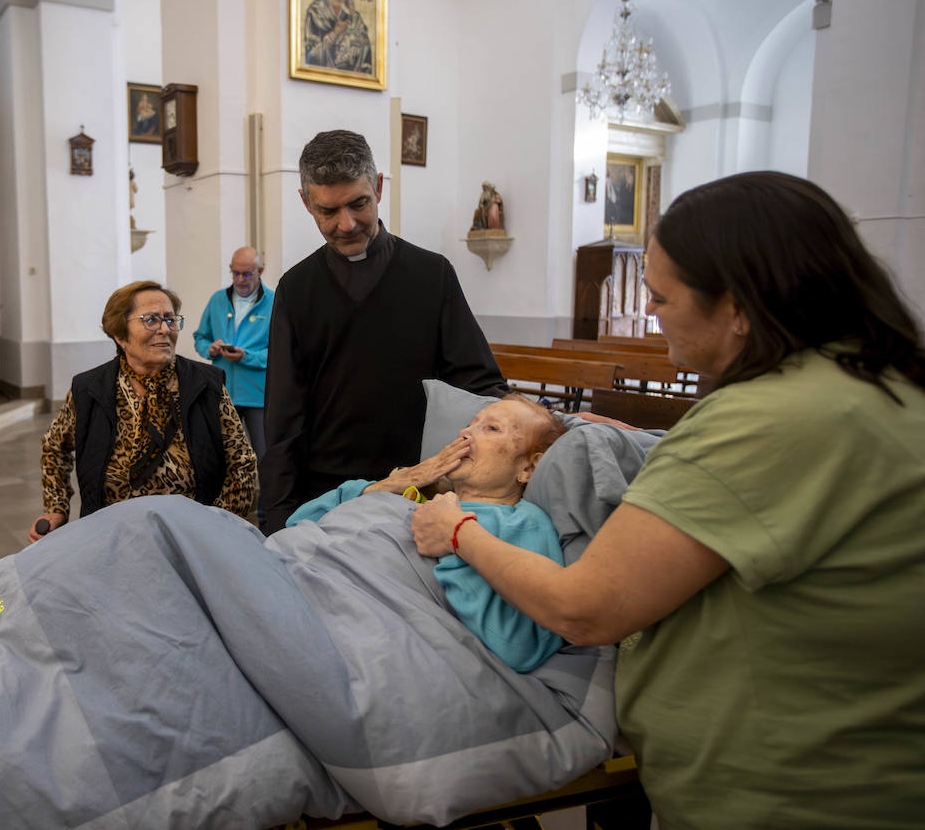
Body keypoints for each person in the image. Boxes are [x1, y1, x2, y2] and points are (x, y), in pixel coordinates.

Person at [411, 171, 925, 829]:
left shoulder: (764, 420)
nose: (651, 312)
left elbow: (583, 608)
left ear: (738, 307)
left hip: (791, 793)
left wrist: (456, 531)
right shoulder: (874, 385)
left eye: (661, 296)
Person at [262, 129, 507, 532]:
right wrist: (278, 520)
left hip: (420, 491)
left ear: (378, 187)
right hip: (326, 497)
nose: (347, 223)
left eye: (359, 203)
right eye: (328, 211)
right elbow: (284, 422)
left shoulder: (432, 275)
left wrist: (548, 422)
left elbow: (477, 382)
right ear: (306, 203)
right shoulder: (296, 289)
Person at [290, 395, 569, 673]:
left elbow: (521, 645)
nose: (465, 433)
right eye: (470, 424)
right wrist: (389, 485)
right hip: (300, 574)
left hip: (340, 624)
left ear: (528, 467)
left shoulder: (522, 523)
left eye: (491, 428)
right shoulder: (419, 495)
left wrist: (452, 542)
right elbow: (298, 523)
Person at [31, 281, 258, 542]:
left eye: (171, 320)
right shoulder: (90, 389)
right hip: (109, 539)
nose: (164, 329)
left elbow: (242, 461)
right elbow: (53, 447)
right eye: (151, 320)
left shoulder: (206, 385)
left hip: (191, 542)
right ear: (120, 334)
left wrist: (218, 526)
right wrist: (56, 508)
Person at [193, 246, 273, 458]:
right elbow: (200, 337)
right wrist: (209, 349)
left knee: (264, 457)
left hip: (258, 395)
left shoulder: (274, 302)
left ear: (260, 271)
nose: (240, 280)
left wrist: (246, 357)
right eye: (235, 273)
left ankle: (266, 493)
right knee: (222, 456)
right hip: (223, 393)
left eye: (247, 274)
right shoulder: (217, 299)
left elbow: (280, 353)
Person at [303, 0, 373, 74]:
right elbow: (310, 57)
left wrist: (362, 43)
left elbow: (366, 54)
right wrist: (334, 34)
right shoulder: (316, 11)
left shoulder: (354, 16)